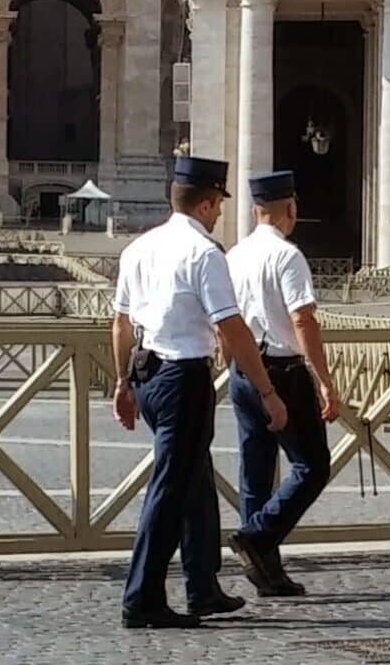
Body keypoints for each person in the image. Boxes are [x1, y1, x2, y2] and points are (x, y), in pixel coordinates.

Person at [111, 155, 288, 629]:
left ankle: (202, 586)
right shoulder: (205, 254)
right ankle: (142, 597)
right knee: (169, 489)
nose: (219, 214)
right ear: (208, 203)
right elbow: (231, 327)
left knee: (194, 479)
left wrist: (123, 383)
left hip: (145, 372)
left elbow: (121, 323)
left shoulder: (138, 249)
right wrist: (268, 391)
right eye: (218, 205)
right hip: (181, 378)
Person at [226, 169, 342, 597]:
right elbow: (302, 319)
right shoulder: (287, 256)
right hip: (283, 370)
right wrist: (326, 381)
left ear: (256, 210)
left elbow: (226, 321)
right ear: (290, 208)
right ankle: (257, 536)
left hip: (244, 369)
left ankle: (266, 573)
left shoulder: (235, 255)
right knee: (312, 466)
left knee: (255, 472)